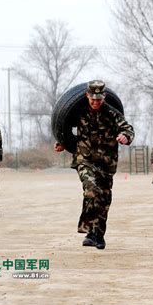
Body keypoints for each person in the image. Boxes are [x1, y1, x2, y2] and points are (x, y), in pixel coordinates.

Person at [54, 80, 135, 249]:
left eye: (99, 99)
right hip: (85, 159)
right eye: (93, 99)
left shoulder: (112, 114)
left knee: (104, 199)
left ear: (104, 97)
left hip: (106, 163)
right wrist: (62, 142)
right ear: (87, 96)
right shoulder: (78, 111)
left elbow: (127, 128)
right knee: (91, 190)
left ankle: (96, 235)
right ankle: (87, 227)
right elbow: (64, 126)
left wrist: (125, 137)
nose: (96, 102)